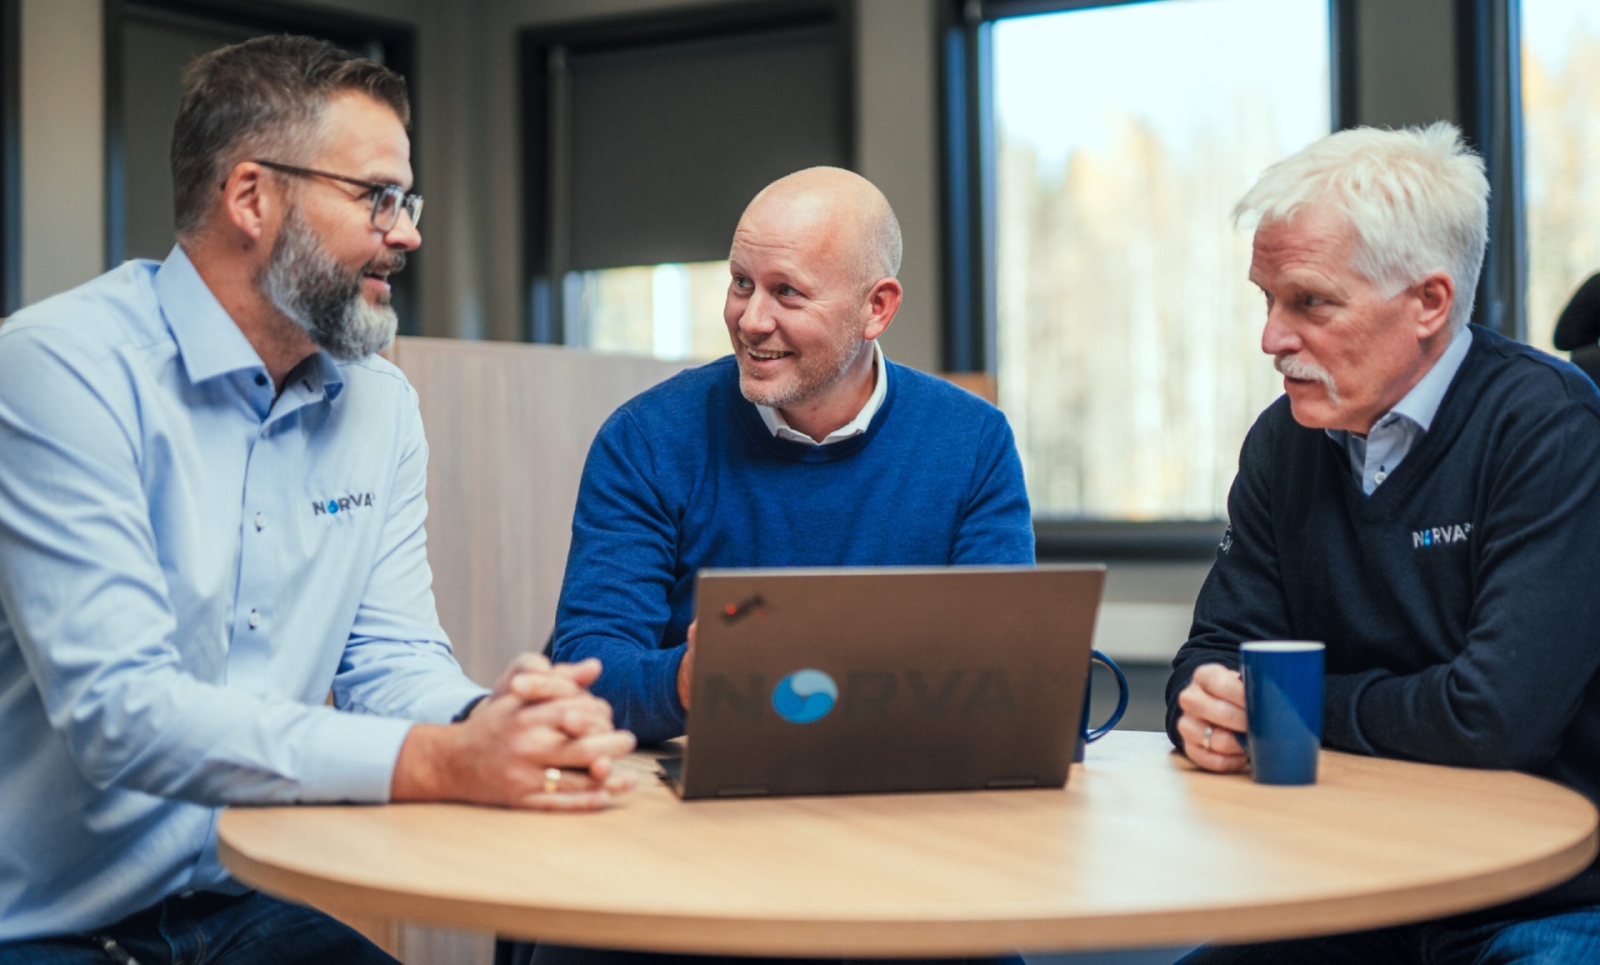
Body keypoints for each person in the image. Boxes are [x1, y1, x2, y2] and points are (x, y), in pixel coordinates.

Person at [0, 36, 634, 965]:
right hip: (45, 926)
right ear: (252, 196)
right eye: (378, 197)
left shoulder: (379, 403)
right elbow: (121, 712)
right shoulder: (59, 369)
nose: (409, 230)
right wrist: (433, 762)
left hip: (239, 903)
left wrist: (490, 722)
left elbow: (391, 660)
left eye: (406, 200)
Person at [501, 167, 1034, 965]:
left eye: (788, 293)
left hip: (902, 843)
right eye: (740, 283)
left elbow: (1008, 678)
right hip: (684, 850)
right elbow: (585, 673)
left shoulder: (972, 442)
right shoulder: (646, 439)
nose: (751, 319)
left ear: (876, 308)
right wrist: (691, 681)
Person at [1167, 123, 1600, 963]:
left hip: (1538, 899)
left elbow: (1492, 721)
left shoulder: (1549, 430)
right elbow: (1213, 652)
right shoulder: (1283, 442)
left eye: (1310, 302)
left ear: (1430, 304)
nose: (1271, 339)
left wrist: (1279, 707)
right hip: (1352, 887)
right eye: (1266, 300)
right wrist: (1206, 709)